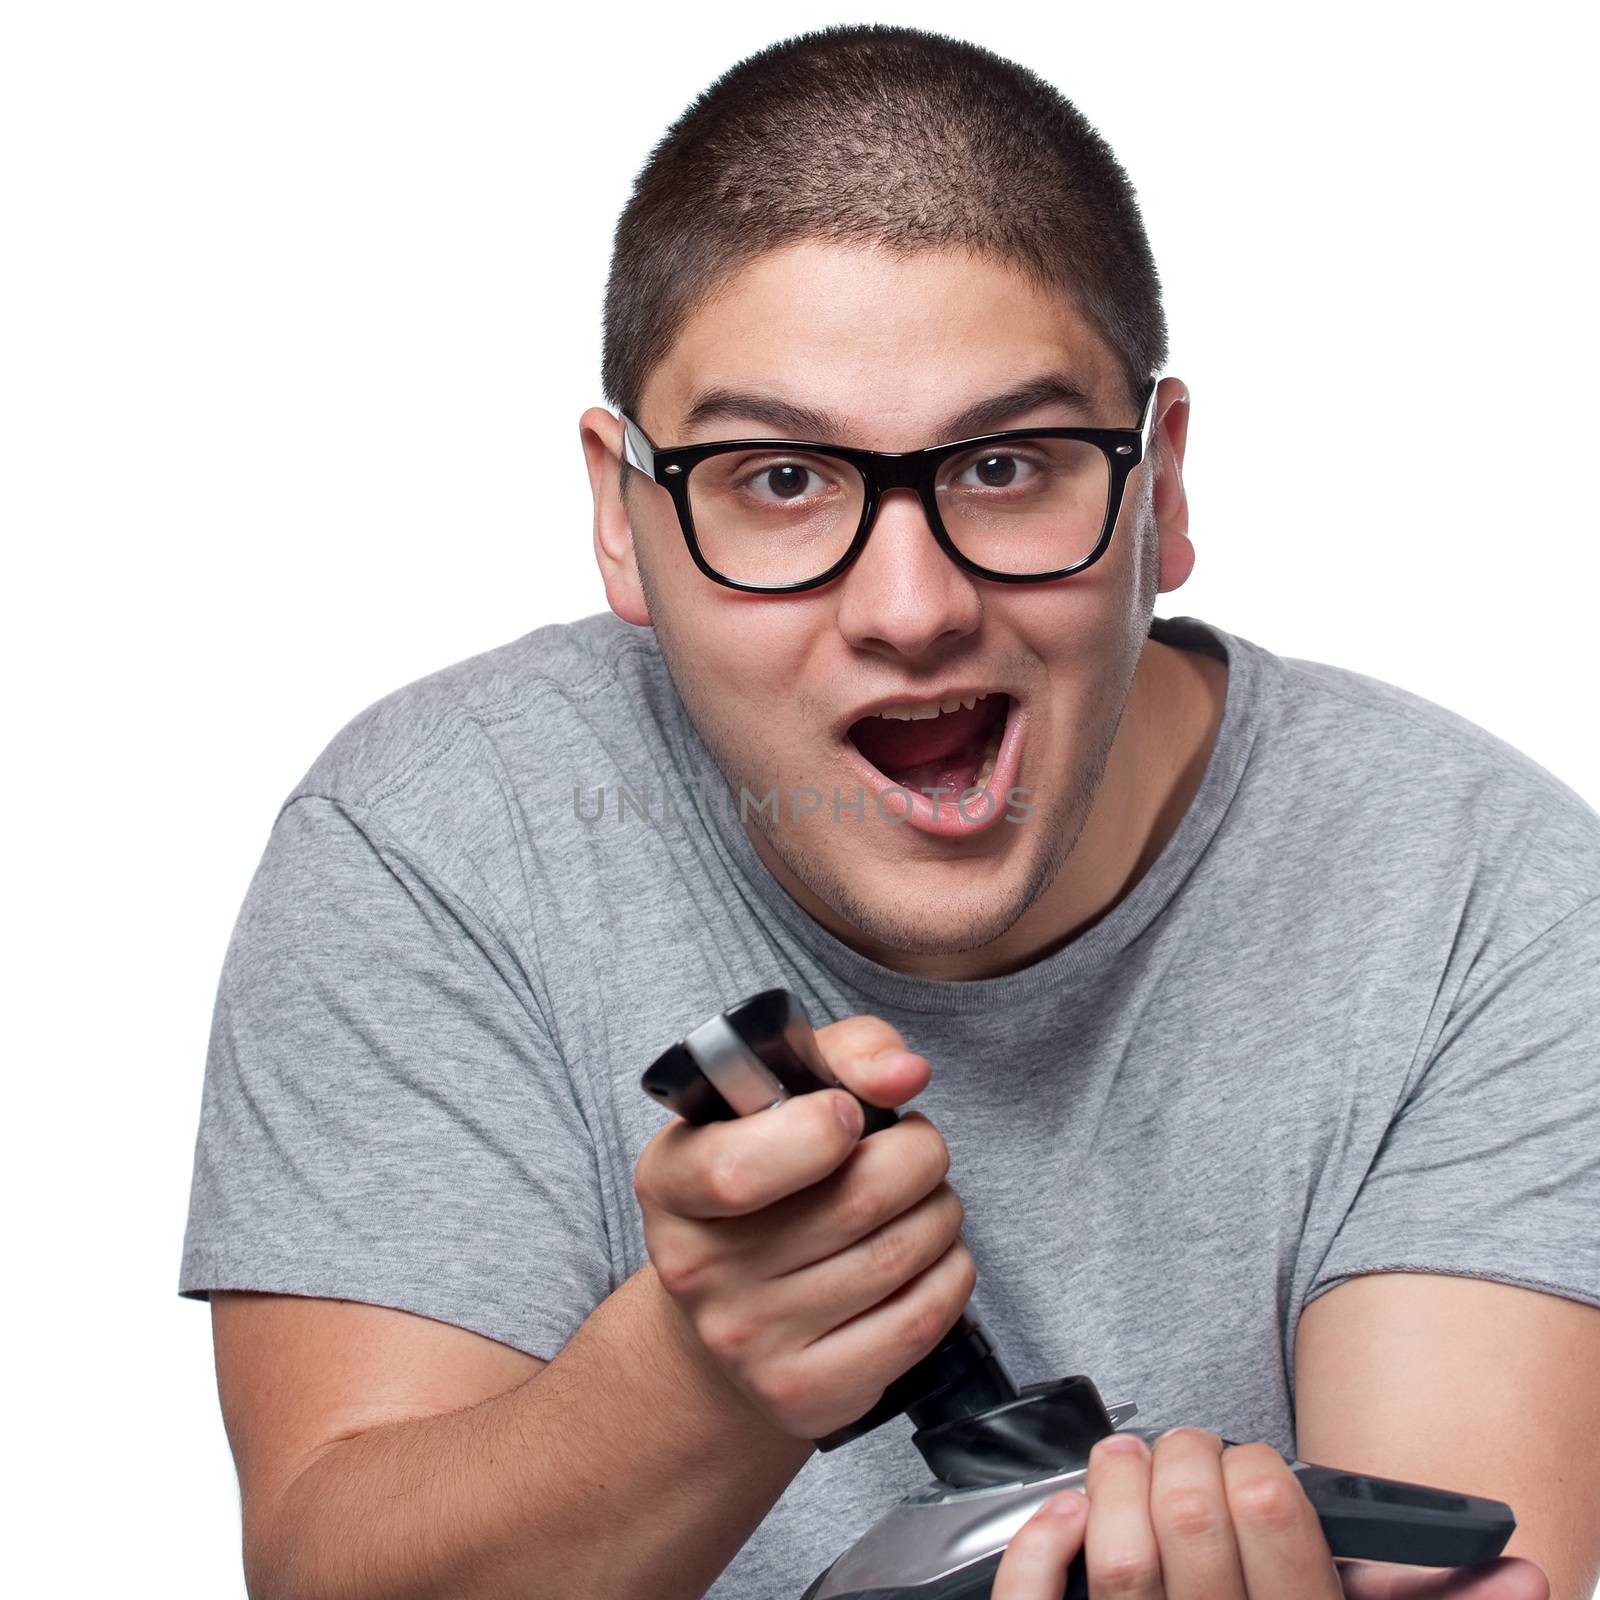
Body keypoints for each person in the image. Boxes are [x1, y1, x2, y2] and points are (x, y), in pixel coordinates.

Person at [177, 23, 1600, 1600]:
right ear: (621, 515)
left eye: (1009, 463)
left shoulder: (1487, 894)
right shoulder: (429, 839)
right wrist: (704, 1382)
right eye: (779, 478)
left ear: (1163, 489)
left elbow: (1466, 1559)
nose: (910, 608)